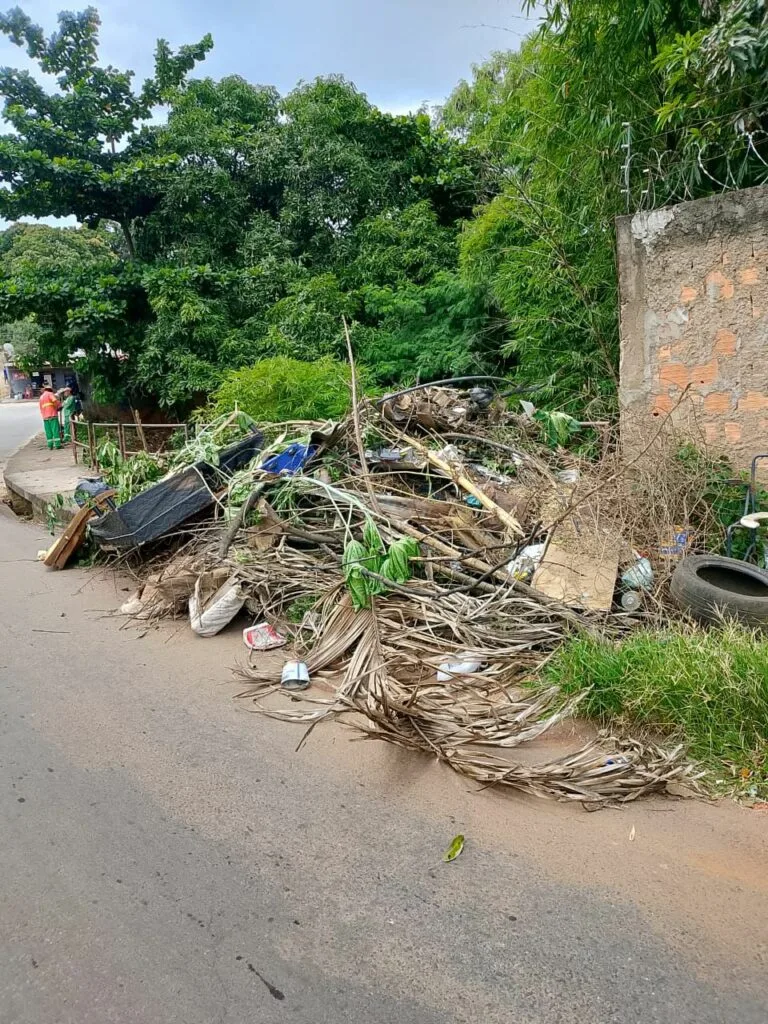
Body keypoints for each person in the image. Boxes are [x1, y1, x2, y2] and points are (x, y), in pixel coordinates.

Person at [38, 384, 62, 450]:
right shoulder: (50, 394)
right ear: (50, 390)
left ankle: (50, 445)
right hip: (52, 415)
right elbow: (54, 401)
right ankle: (57, 445)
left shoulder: (41, 397)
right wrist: (58, 406)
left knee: (48, 431)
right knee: (55, 430)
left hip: (45, 417)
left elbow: (40, 408)